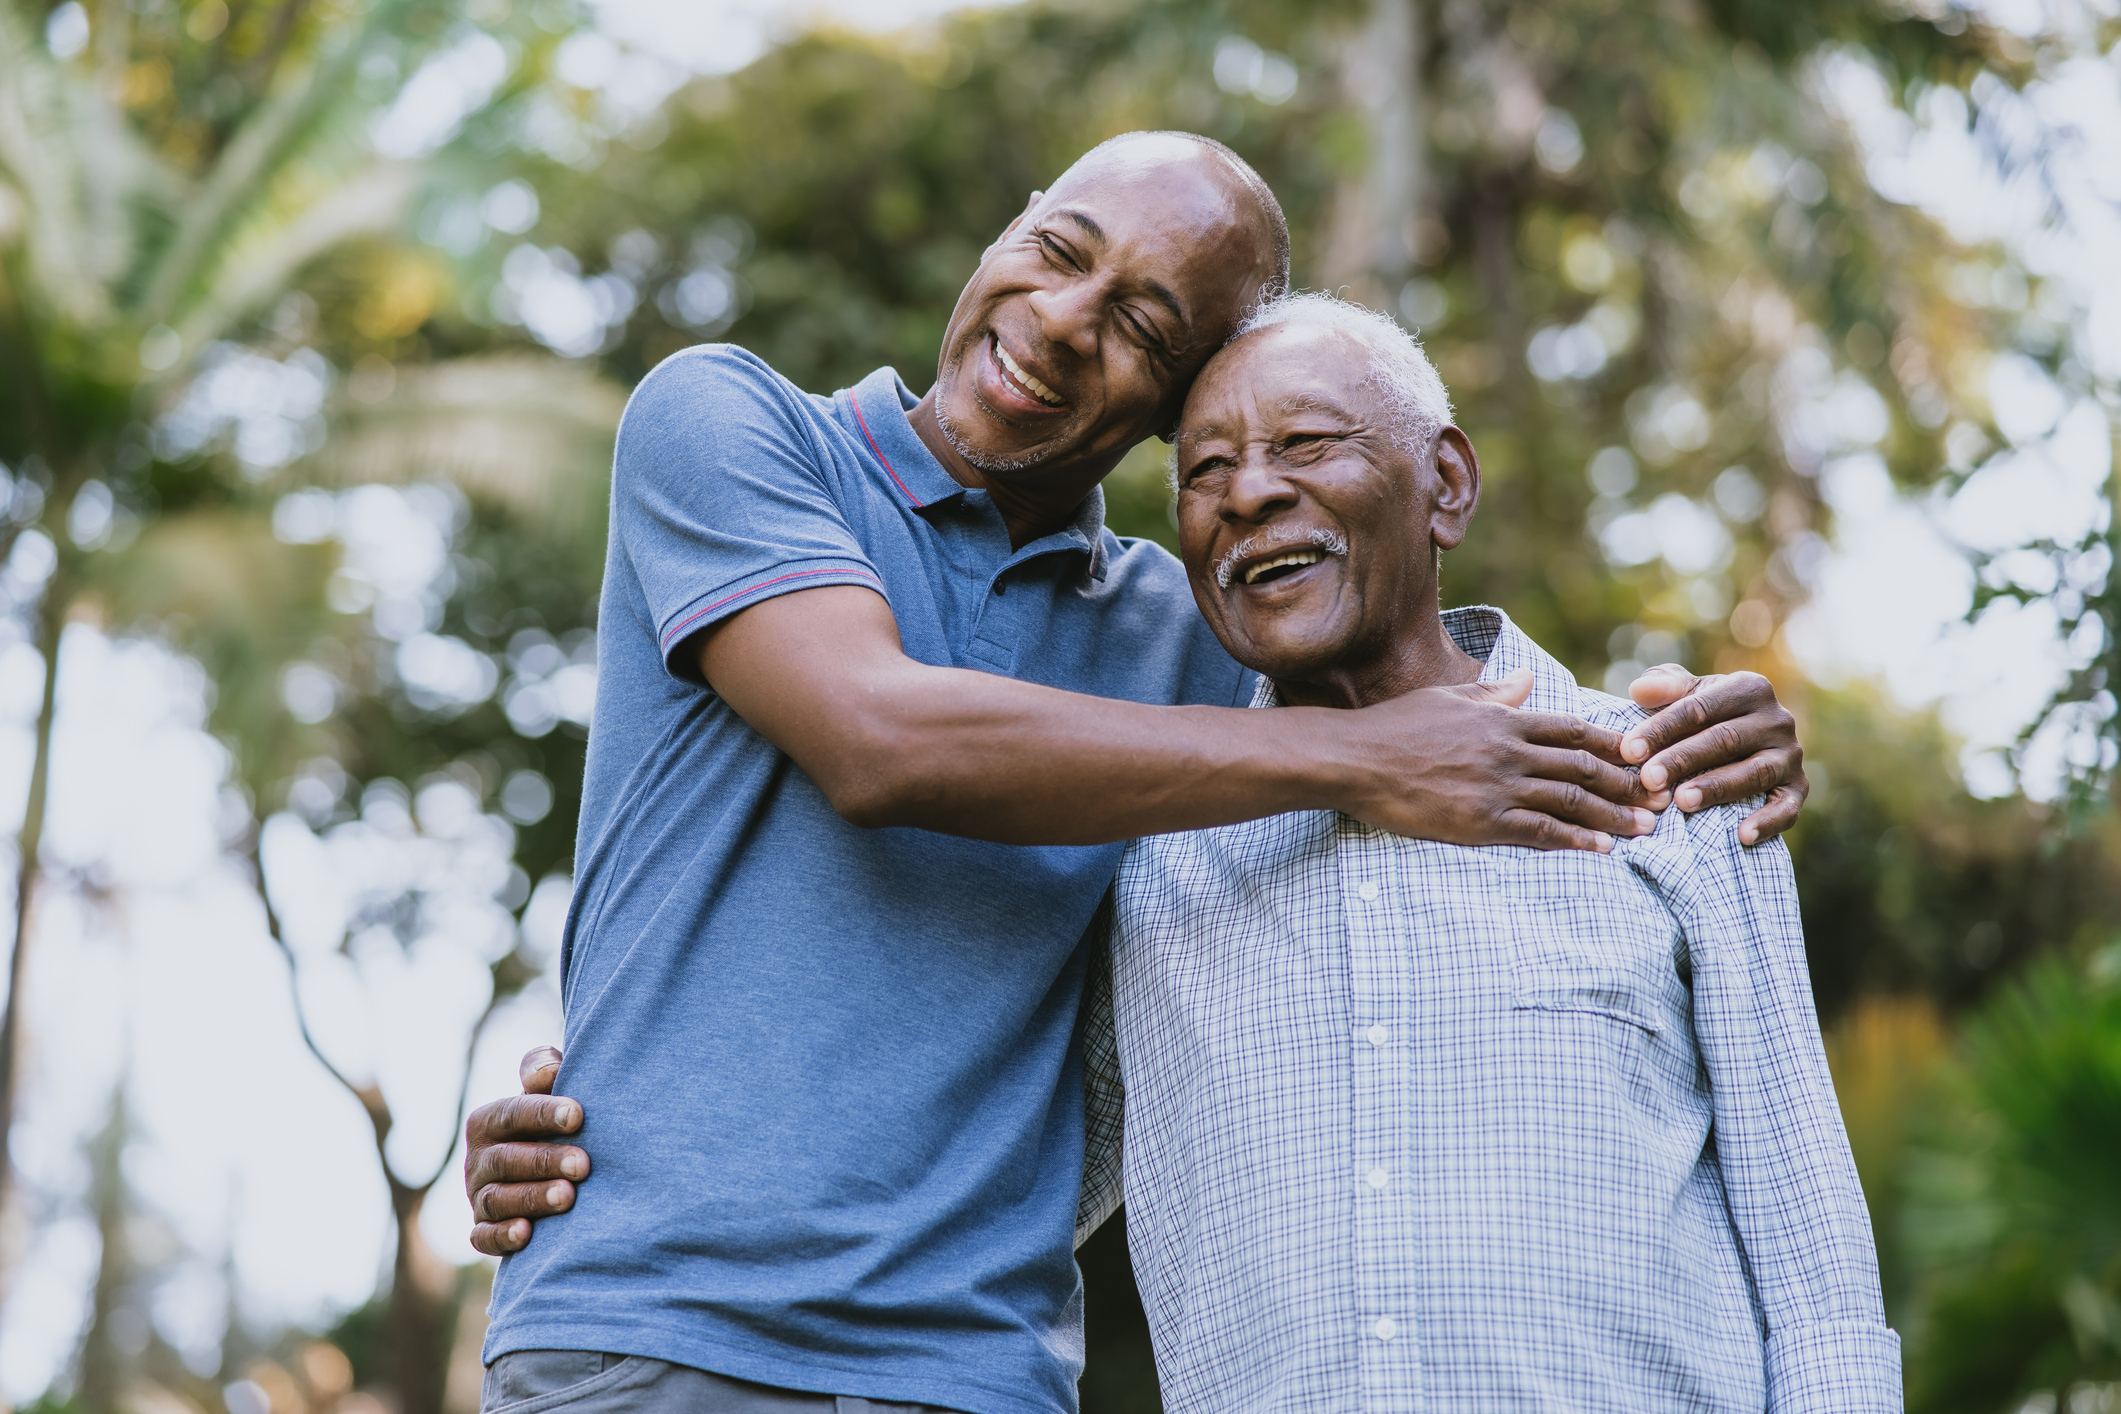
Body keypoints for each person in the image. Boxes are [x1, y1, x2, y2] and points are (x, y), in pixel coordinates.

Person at [462, 132, 1811, 1414]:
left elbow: (1407, 679)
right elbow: (878, 739)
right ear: (1010, 225)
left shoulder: (1190, 643)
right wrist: (1359, 753)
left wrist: (1696, 735)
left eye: (1143, 327)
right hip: (651, 1333)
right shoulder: (732, 426)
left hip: (974, 1374)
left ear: (1175, 407)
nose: (1058, 319)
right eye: (1057, 248)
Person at [1079, 293, 1897, 1411]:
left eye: (1307, 443)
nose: (1251, 491)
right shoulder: (1149, 856)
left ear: (1446, 487)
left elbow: (1815, 1271)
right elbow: (1015, 1187)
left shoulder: (1673, 781)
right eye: (1205, 471)